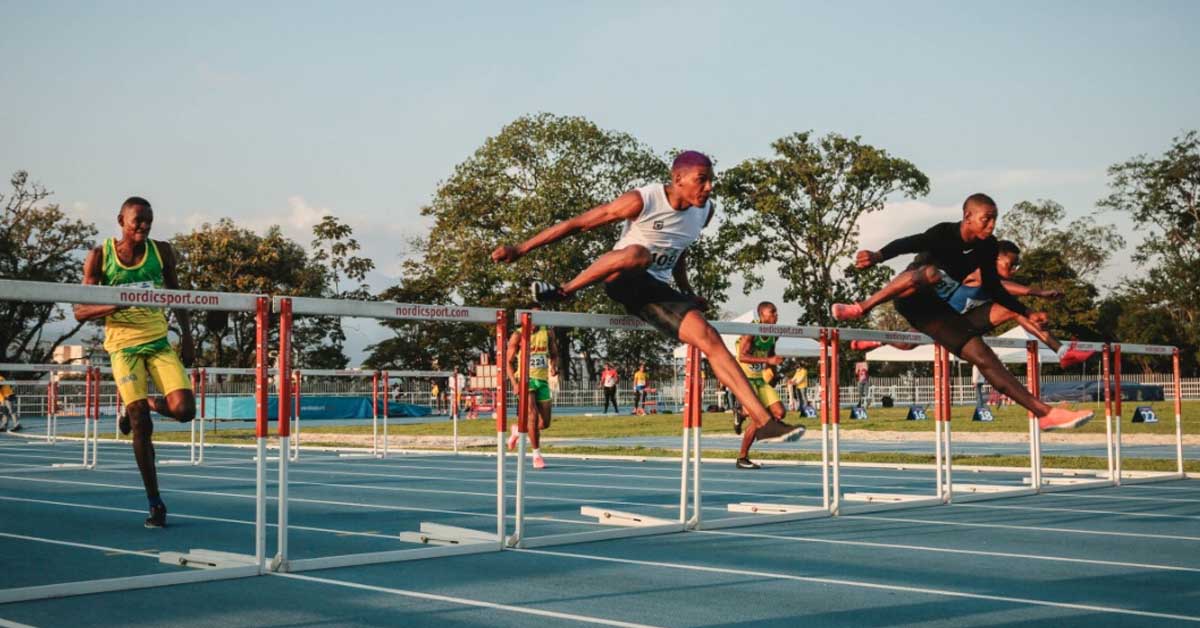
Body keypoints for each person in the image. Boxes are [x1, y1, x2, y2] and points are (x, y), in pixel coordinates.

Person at [491, 151, 803, 443]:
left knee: (710, 338)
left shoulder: (704, 212)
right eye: (702, 180)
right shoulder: (643, 199)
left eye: (711, 181)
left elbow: (678, 250)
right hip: (620, 276)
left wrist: (687, 291)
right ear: (677, 178)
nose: (709, 188)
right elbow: (579, 223)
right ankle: (564, 290)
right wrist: (521, 249)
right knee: (639, 254)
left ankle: (764, 422)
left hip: (655, 291)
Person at [830, 193, 1093, 431]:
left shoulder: (988, 247)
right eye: (986, 220)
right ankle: (861, 307)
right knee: (930, 273)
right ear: (968, 217)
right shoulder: (944, 233)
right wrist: (879, 255)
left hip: (936, 311)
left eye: (995, 220)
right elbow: (910, 242)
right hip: (910, 295)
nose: (991, 226)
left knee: (985, 356)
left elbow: (994, 286)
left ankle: (1043, 413)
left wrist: (1025, 310)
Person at [73, 197, 196, 528]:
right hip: (123, 348)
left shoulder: (162, 251)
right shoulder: (100, 256)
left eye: (149, 220)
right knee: (141, 424)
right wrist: (114, 305)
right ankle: (156, 503)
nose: (144, 226)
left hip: (158, 342)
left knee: (185, 410)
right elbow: (80, 311)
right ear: (121, 220)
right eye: (137, 220)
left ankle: (149, 404)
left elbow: (178, 295)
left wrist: (187, 336)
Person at [731, 301, 792, 469]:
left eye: (776, 312)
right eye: (772, 312)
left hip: (759, 379)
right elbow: (742, 356)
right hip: (744, 380)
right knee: (759, 420)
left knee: (779, 412)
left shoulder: (773, 333)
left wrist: (774, 371)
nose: (776, 316)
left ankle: (742, 415)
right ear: (761, 315)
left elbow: (771, 355)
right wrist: (767, 360)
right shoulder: (751, 330)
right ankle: (742, 457)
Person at [505, 306, 559, 469]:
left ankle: (517, 430)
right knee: (532, 415)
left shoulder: (547, 333)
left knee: (544, 423)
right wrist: (514, 383)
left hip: (541, 380)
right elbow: (507, 362)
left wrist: (553, 365)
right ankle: (536, 455)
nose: (535, 323)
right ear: (526, 319)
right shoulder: (518, 335)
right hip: (524, 379)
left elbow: (555, 354)